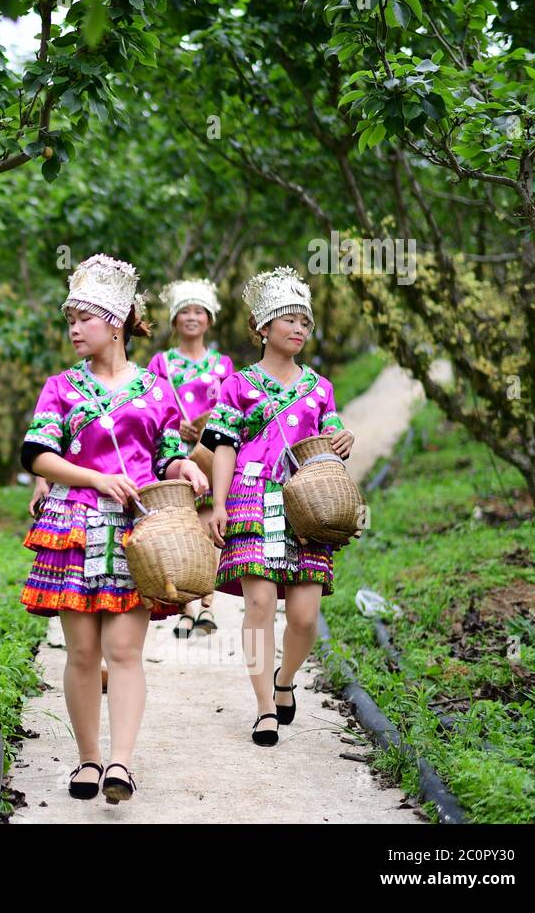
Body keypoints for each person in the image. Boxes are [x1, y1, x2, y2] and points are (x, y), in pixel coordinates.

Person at [19, 254, 209, 802]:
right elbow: (37, 455)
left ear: (118, 320)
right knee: (81, 654)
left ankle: (121, 764)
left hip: (136, 534)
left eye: (85, 317)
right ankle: (87, 760)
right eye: (69, 319)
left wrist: (188, 467)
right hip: (74, 527)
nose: (74, 329)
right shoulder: (60, 387)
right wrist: (97, 479)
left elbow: (167, 454)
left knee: (124, 652)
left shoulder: (155, 390)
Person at [200, 267, 355, 746]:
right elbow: (222, 446)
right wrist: (218, 502)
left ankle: (285, 678)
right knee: (260, 603)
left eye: (305, 322)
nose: (299, 329)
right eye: (289, 320)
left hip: (307, 504)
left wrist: (341, 439)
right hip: (251, 497)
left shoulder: (320, 387)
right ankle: (265, 706)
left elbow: (326, 440)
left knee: (306, 615)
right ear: (263, 327)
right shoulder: (238, 385)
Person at [146, 280, 235, 639]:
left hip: (210, 454)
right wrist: (176, 425)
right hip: (176, 454)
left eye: (199, 311)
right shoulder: (161, 362)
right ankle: (187, 607)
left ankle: (205, 603)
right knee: (181, 527)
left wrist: (208, 426)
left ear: (209, 320)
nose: (192, 317)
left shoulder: (222, 364)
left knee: (206, 526)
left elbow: (233, 408)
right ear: (174, 320)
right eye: (185, 311)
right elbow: (151, 405)